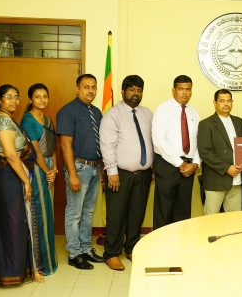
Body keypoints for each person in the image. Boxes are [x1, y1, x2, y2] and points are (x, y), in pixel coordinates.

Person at [0, 84, 40, 285]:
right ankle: (10, 273)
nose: (14, 100)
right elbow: (11, 155)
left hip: (7, 174)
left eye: (16, 96)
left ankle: (13, 270)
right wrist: (26, 181)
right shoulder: (4, 121)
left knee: (10, 222)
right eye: (8, 97)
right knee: (12, 223)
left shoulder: (4, 118)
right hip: (8, 176)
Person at [100, 75, 153, 271]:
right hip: (119, 174)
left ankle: (131, 248)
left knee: (137, 213)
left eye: (139, 90)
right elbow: (107, 144)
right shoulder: (113, 114)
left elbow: (152, 141)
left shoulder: (148, 114)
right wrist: (111, 171)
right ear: (123, 91)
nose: (135, 93)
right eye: (131, 89)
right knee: (116, 214)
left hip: (144, 174)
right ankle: (112, 253)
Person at [56, 74, 104, 270]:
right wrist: (73, 174)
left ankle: (85, 248)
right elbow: (65, 145)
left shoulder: (97, 112)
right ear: (77, 89)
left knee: (88, 211)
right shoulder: (67, 111)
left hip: (95, 167)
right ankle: (74, 253)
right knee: (74, 213)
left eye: (93, 87)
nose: (90, 91)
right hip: (79, 168)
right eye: (86, 87)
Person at [152, 75, 200, 229]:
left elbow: (198, 141)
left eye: (188, 89)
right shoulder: (162, 109)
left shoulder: (194, 113)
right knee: (164, 210)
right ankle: (161, 243)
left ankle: (180, 243)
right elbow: (159, 140)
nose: (185, 92)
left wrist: (196, 163)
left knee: (183, 211)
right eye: (181, 89)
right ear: (174, 90)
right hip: (167, 165)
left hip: (189, 168)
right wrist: (180, 164)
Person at [20, 83, 58, 275]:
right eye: (38, 96)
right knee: (39, 214)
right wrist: (47, 171)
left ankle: (51, 260)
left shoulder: (48, 119)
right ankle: (40, 264)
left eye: (45, 96)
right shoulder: (28, 120)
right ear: (30, 99)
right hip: (37, 168)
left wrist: (55, 169)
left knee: (48, 213)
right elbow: (35, 152)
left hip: (50, 166)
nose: (42, 100)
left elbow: (53, 147)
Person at [197, 89, 242, 215]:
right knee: (210, 220)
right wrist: (227, 168)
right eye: (222, 101)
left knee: (234, 219)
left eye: (229, 101)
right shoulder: (205, 124)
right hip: (216, 181)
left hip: (237, 181)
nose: (226, 104)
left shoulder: (239, 122)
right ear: (215, 103)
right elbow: (205, 152)